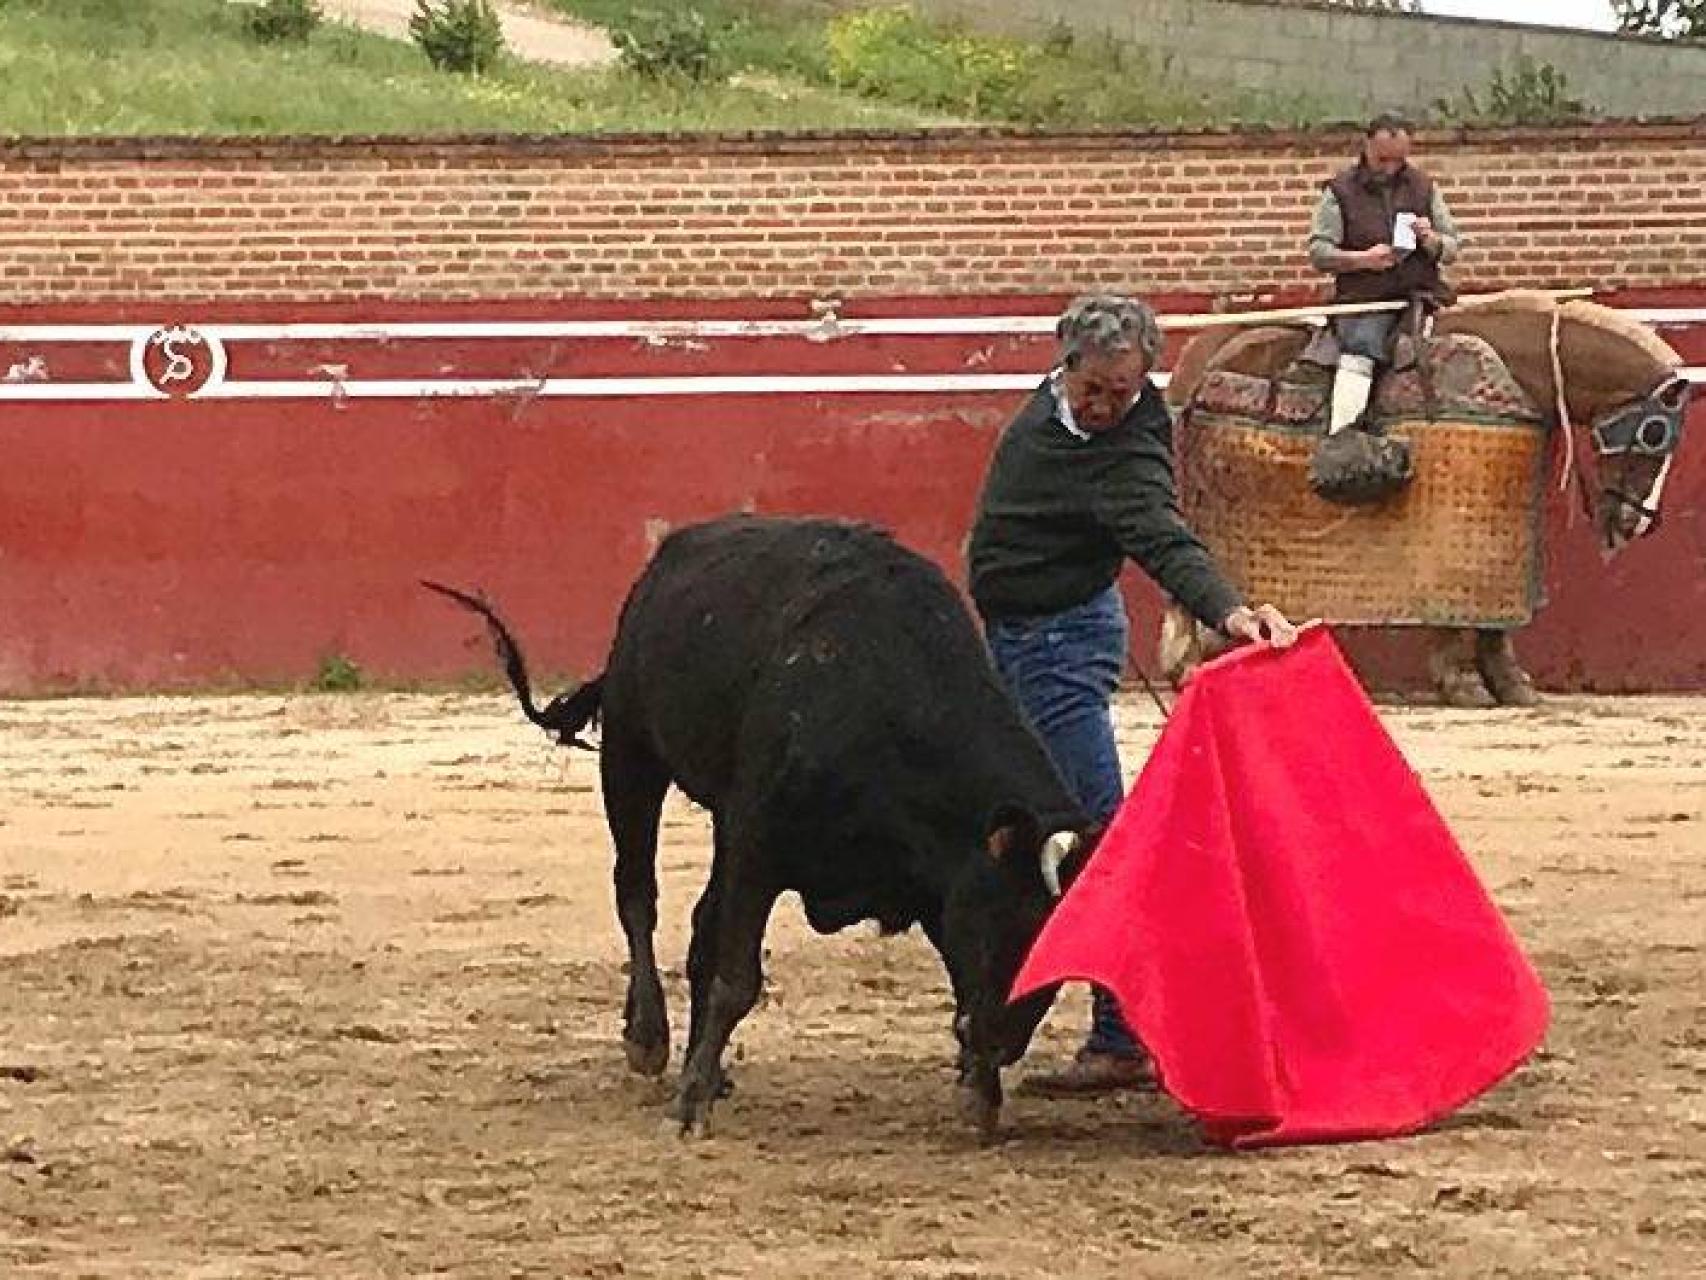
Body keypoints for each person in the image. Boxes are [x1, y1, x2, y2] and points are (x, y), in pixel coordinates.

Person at [967, 292, 1298, 1096]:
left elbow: (1160, 533)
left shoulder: (1129, 444)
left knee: (1096, 841)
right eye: (1098, 391)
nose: (1114, 406)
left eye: (1128, 390)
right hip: (1014, 644)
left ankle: (1123, 1035)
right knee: (1029, 833)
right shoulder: (1055, 411)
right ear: (1064, 364)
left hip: (1059, 646)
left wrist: (1226, 608)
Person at [1309, 112, 1463, 436]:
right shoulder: (1340, 192)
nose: (1391, 167)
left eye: (1398, 159)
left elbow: (1452, 247)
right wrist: (1361, 260)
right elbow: (1319, 252)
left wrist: (1431, 240)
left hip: (1423, 295)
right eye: (1383, 159)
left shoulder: (1424, 187)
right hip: (1366, 301)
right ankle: (1343, 438)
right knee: (1362, 347)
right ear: (1366, 147)